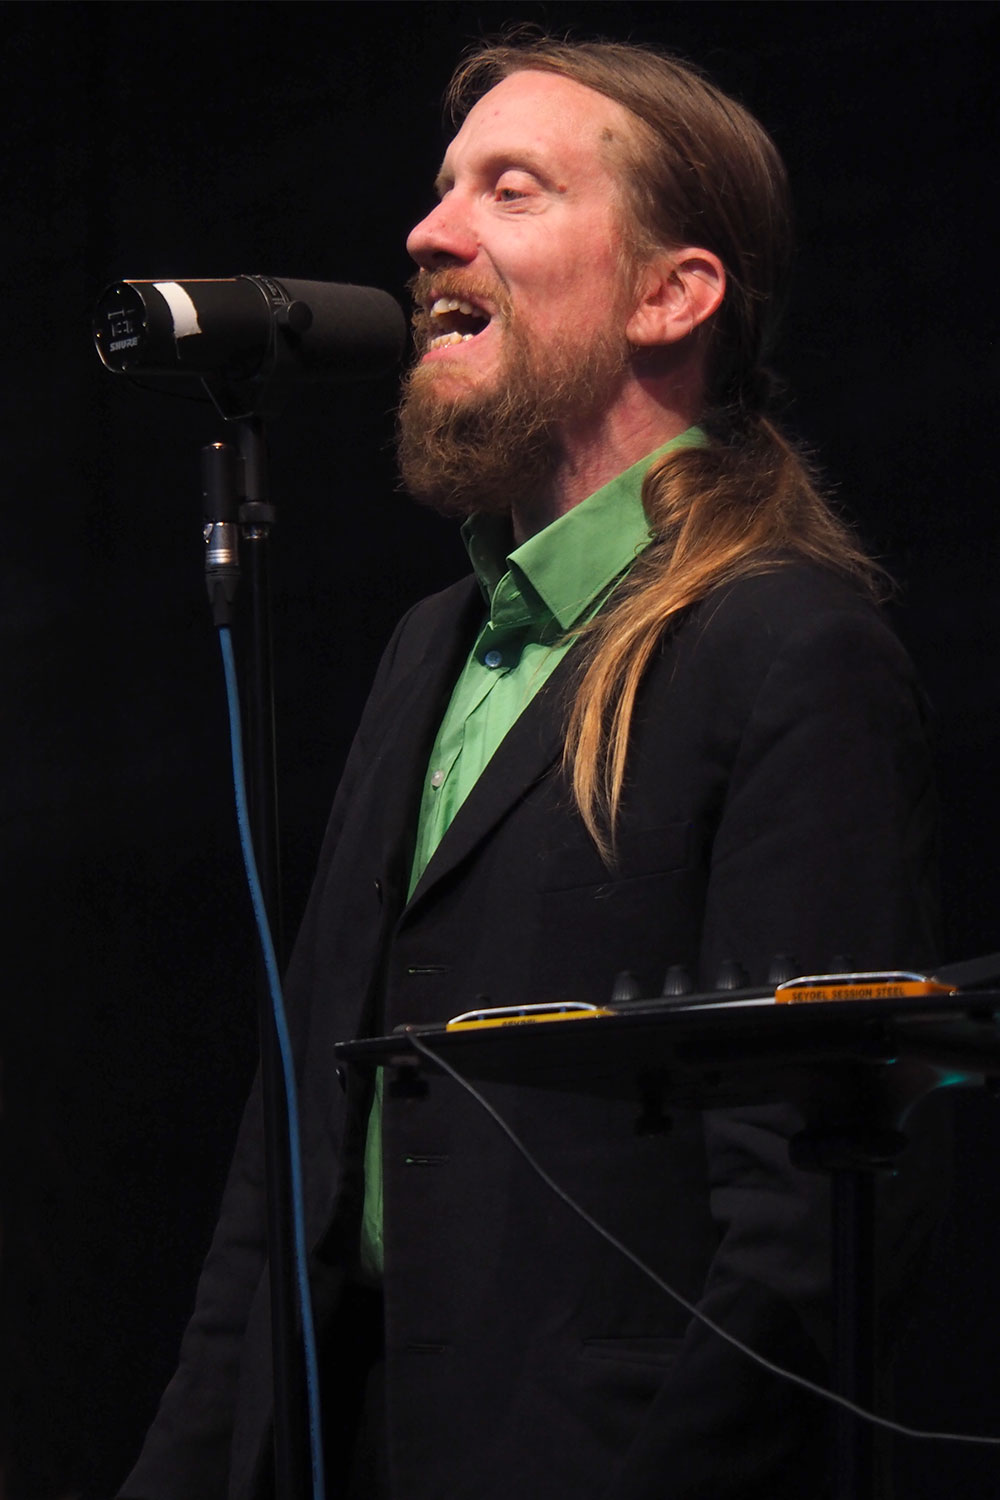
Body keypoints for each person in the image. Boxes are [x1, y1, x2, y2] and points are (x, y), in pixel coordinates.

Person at [121, 35, 945, 1500]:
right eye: (443, 190)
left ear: (670, 294)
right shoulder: (434, 642)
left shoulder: (786, 648)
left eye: (512, 189)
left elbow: (799, 1234)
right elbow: (294, 1151)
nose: (431, 234)